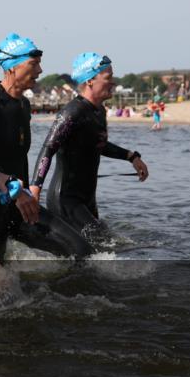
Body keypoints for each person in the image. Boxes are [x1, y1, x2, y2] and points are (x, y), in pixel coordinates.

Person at [0, 33, 93, 262]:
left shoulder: (23, 105)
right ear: (12, 67)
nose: (41, 70)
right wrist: (10, 187)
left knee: (82, 251)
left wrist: (30, 190)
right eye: (34, 64)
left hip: (21, 205)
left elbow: (19, 155)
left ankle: (68, 297)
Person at [28, 53, 149, 240]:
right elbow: (48, 149)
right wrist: (35, 189)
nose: (113, 83)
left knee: (100, 249)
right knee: (104, 245)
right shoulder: (72, 112)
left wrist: (131, 157)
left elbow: (97, 144)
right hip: (66, 199)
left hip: (87, 199)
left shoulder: (99, 111)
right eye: (108, 78)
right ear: (91, 80)